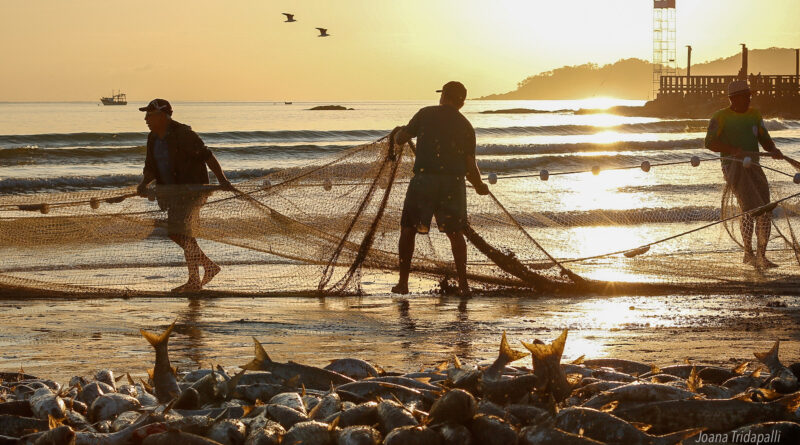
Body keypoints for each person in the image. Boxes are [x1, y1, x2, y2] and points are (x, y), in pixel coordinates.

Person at [391, 81, 490, 295]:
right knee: (456, 233)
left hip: (424, 181)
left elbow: (400, 139)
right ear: (461, 102)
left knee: (408, 229)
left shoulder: (425, 114)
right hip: (453, 184)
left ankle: (403, 283)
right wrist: (480, 185)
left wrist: (399, 133)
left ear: (444, 95)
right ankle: (464, 285)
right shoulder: (466, 126)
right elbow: (470, 166)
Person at [136, 99, 234, 291]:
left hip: (192, 191)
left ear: (163, 116)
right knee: (180, 233)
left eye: (150, 115)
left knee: (181, 232)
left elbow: (207, 157)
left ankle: (196, 279)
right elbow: (150, 168)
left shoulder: (184, 134)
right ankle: (204, 270)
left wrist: (222, 180)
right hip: (171, 193)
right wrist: (143, 184)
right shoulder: (153, 138)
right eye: (146, 115)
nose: (146, 119)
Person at [704, 80, 783, 269]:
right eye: (745, 96)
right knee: (749, 207)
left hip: (753, 165)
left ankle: (761, 255)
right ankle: (748, 253)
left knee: (766, 208)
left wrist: (773, 150)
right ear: (734, 98)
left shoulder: (754, 114)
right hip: (733, 166)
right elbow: (709, 142)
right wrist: (732, 149)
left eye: (749, 96)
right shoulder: (720, 117)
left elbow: (764, 138)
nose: (749, 99)